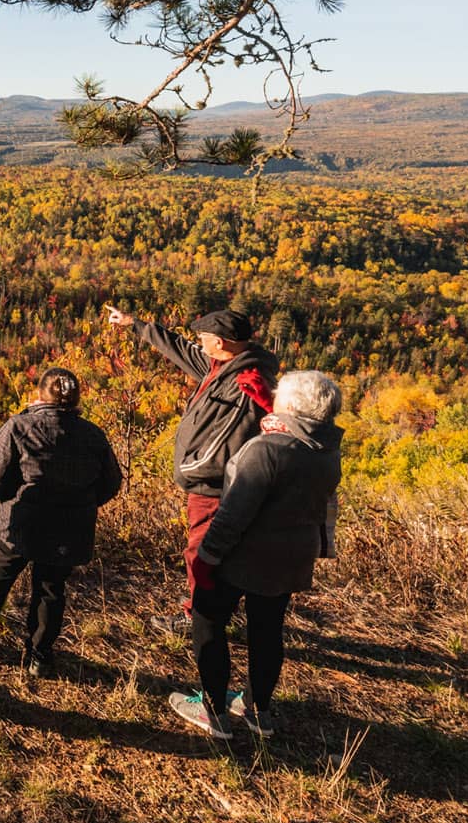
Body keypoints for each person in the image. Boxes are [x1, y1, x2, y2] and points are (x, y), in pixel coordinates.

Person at [167, 370, 344, 739]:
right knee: (267, 632)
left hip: (243, 557)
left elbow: (232, 515)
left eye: (279, 394)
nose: (274, 395)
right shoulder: (327, 450)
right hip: (291, 558)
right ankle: (258, 710)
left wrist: (206, 559)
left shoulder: (266, 449)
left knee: (207, 621)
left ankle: (214, 711)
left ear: (291, 405)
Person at [104, 303, 277, 633]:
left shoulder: (243, 383)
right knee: (211, 552)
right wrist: (134, 324)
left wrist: (188, 469)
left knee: (202, 553)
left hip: (213, 486)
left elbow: (223, 445)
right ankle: (214, 609)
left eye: (204, 339)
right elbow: (181, 350)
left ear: (220, 342)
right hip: (211, 483)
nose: (199, 344)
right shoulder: (223, 366)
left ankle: (199, 618)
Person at [0, 367, 122, 677]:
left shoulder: (19, 427)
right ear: (76, 399)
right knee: (51, 589)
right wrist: (81, 504)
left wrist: (12, 498)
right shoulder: (93, 435)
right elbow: (111, 483)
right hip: (69, 529)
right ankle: (39, 655)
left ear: (39, 395)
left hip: (19, 525)